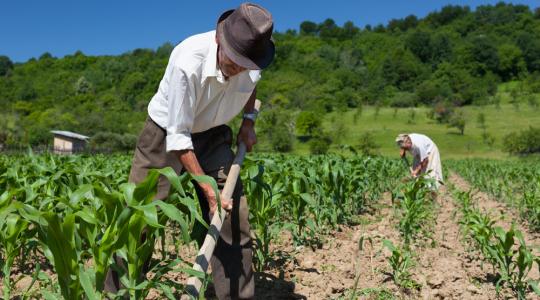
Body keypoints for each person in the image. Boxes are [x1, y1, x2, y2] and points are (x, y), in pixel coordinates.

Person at [104, 3, 275, 299]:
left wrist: (248, 122)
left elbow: (252, 86)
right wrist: (208, 191)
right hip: (166, 134)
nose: (238, 70)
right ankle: (116, 293)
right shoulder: (188, 60)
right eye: (233, 62)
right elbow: (179, 138)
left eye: (245, 65)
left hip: (213, 133)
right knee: (138, 219)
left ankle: (237, 295)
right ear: (220, 41)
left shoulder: (253, 61)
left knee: (233, 218)